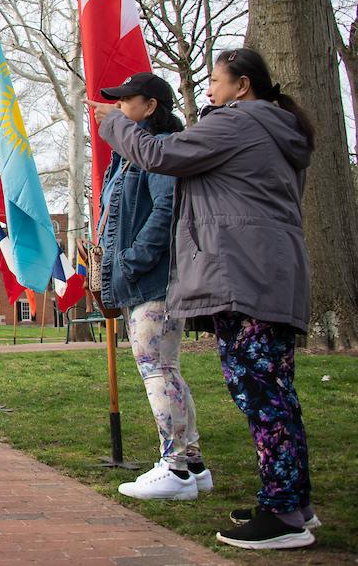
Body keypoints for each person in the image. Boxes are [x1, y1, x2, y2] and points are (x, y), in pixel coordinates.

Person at [91, 48, 317, 550]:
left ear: (242, 86)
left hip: (244, 274)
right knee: (275, 390)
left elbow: (160, 156)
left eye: (215, 80)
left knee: (260, 393)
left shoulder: (238, 123)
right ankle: (292, 501)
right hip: (270, 271)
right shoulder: (274, 129)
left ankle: (284, 515)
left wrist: (114, 126)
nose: (208, 89)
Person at [95, 73, 210, 502]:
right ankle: (192, 466)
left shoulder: (159, 150)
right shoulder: (126, 158)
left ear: (150, 107)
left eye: (127, 100)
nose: (118, 107)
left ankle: (175, 467)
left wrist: (134, 259)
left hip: (153, 280)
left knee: (157, 369)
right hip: (141, 278)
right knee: (166, 368)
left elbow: (166, 209)